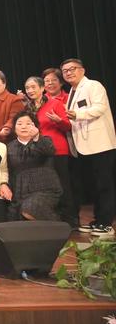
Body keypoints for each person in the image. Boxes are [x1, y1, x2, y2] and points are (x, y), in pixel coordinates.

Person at [62, 58, 116, 236]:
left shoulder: (93, 86)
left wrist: (77, 114)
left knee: (104, 184)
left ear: (82, 70)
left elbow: (100, 107)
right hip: (83, 146)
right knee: (93, 185)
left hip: (100, 144)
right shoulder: (72, 91)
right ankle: (98, 220)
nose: (69, 73)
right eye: (65, 71)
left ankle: (106, 222)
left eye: (72, 69)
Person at [24, 76, 75, 226]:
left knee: (62, 185)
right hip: (39, 152)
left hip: (57, 151)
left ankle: (71, 220)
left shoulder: (55, 103)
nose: (30, 90)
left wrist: (58, 121)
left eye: (33, 87)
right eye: (27, 88)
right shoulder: (28, 108)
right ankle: (53, 219)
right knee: (47, 186)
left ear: (42, 88)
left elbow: (68, 126)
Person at [6, 111, 62, 222]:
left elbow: (49, 150)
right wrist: (4, 185)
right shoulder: (9, 147)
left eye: (28, 123)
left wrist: (37, 137)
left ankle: (57, 227)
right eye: (20, 123)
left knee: (30, 209)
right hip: (20, 192)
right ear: (14, 128)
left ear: (35, 126)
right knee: (12, 218)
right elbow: (7, 170)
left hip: (45, 189)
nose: (24, 127)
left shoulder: (44, 140)